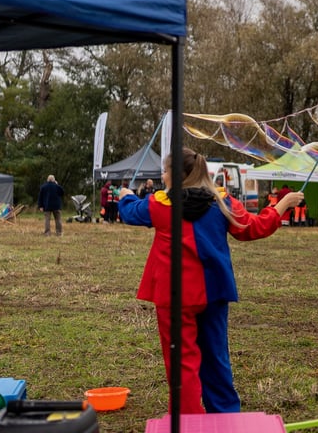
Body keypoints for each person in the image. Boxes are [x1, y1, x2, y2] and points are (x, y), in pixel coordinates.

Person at [117, 147, 303, 414]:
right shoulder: (223, 203)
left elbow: (131, 212)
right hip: (213, 292)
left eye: (165, 170)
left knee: (182, 362)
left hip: (173, 297)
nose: (162, 174)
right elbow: (252, 228)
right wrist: (280, 207)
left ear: (174, 175)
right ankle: (225, 415)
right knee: (216, 357)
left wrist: (126, 196)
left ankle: (188, 419)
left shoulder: (159, 204)